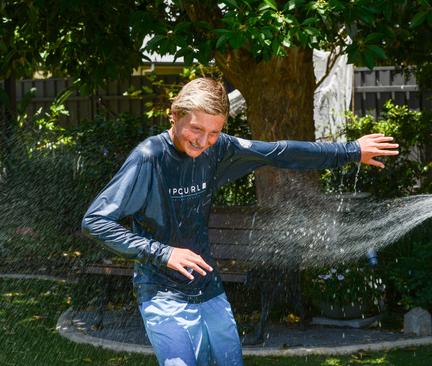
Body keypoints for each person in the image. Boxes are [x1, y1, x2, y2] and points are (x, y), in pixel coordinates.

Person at [81, 77, 399, 366]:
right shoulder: (149, 157)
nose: (204, 141)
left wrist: (351, 150)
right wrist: (163, 252)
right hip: (161, 291)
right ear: (174, 115)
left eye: (214, 132)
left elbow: (280, 152)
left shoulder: (219, 149)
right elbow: (96, 221)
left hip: (208, 286)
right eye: (196, 129)